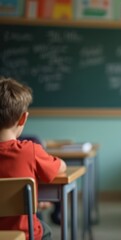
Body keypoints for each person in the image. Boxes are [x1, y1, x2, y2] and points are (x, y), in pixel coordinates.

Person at [0, 77, 67, 240]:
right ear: (23, 118)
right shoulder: (30, 151)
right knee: (45, 229)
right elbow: (60, 168)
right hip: (25, 233)